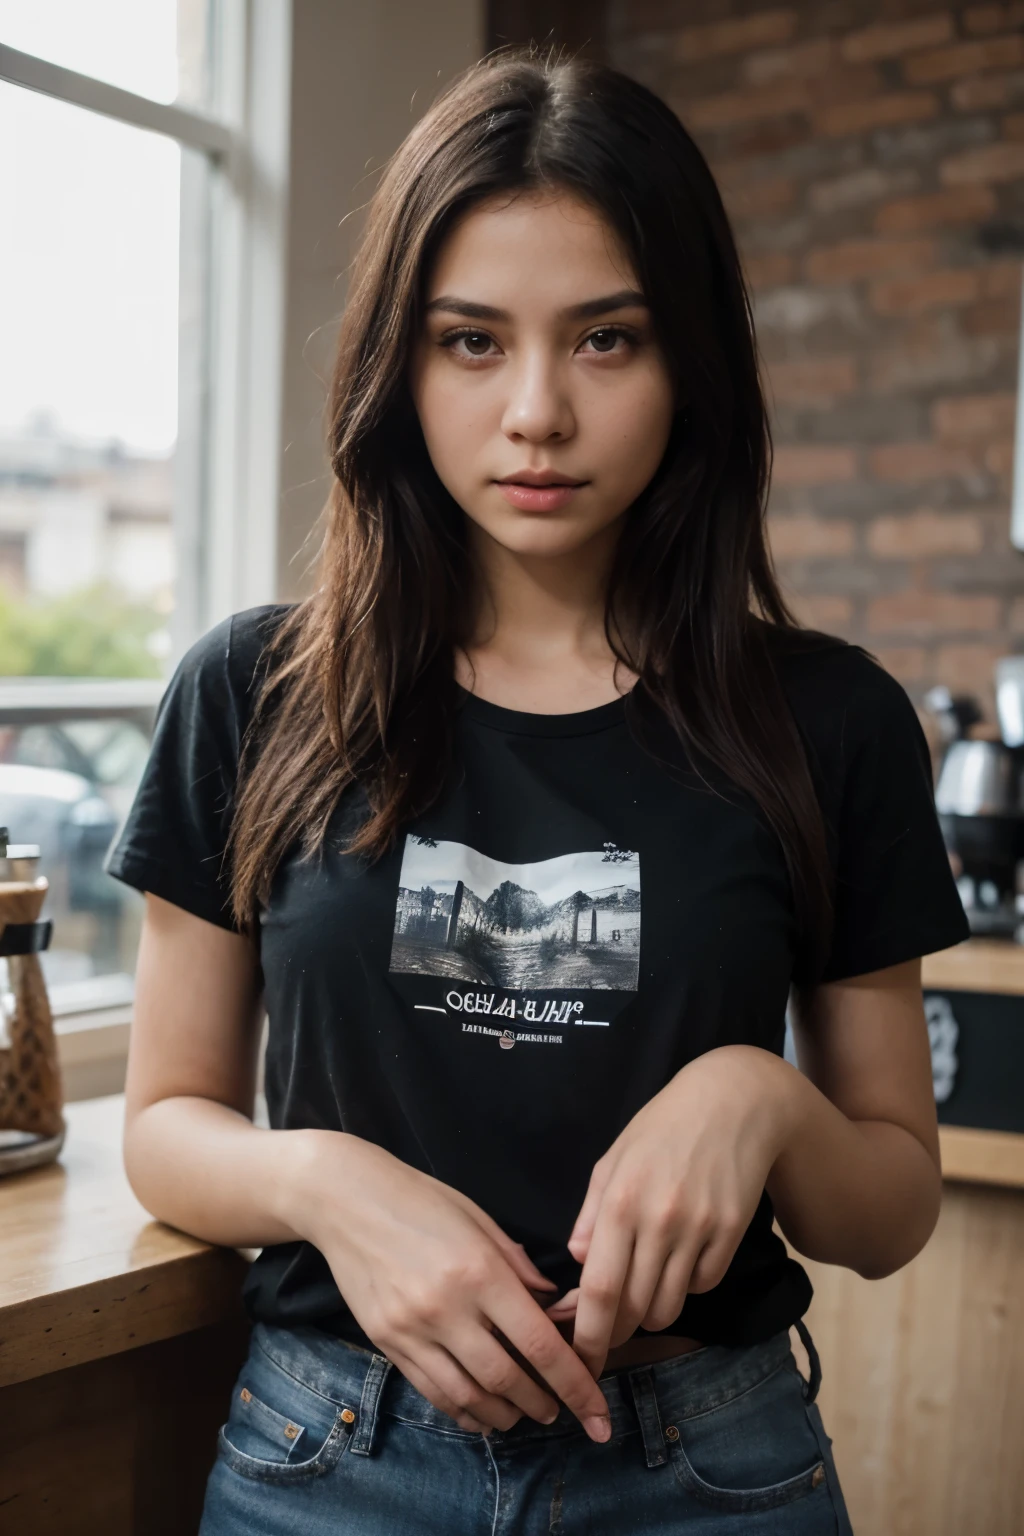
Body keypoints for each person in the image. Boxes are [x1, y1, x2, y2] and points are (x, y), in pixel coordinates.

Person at [105, 49, 969, 1535]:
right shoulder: (251, 692)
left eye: (608, 340)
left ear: (689, 358)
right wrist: (328, 1183)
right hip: (328, 1454)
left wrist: (758, 1096)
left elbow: (888, 1210)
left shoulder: (829, 719)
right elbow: (167, 1118)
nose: (538, 413)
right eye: (471, 342)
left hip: (711, 1466)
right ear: (400, 363)